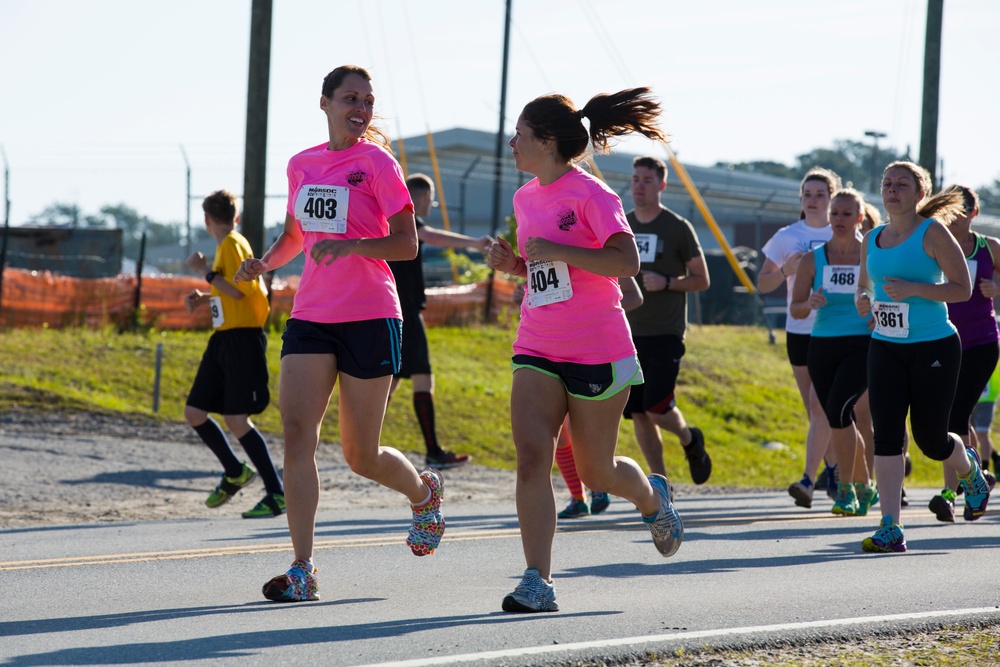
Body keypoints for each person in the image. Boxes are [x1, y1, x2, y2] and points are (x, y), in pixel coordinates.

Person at [235, 65, 444, 601]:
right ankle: (303, 569)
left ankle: (423, 493)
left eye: (368, 100)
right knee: (298, 436)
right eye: (351, 97)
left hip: (372, 315)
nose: (361, 107)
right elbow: (294, 235)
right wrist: (264, 262)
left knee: (360, 454)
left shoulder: (377, 163)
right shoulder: (301, 165)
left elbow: (406, 244)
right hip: (311, 315)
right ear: (324, 102)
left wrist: (353, 246)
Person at [488, 87, 682, 614]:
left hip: (597, 345)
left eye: (520, 135)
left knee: (596, 474)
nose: (511, 143)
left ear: (547, 141)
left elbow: (626, 262)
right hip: (537, 342)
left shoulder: (593, 196)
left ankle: (651, 497)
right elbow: (547, 269)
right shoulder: (525, 197)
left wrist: (557, 250)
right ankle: (538, 580)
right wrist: (516, 266)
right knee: (533, 460)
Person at [855, 160, 991, 553]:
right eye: (886, 183)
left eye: (901, 184)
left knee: (931, 440)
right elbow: (865, 287)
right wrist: (864, 301)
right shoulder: (873, 238)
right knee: (887, 435)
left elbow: (962, 288)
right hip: (885, 345)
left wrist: (915, 289)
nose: (892, 190)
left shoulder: (933, 233)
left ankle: (970, 470)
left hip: (933, 346)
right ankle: (890, 527)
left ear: (920, 194)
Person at [182, 190, 285, 519]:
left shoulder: (232, 243)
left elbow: (242, 291)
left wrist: (205, 273)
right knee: (195, 412)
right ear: (235, 215)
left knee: (237, 419)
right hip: (223, 340)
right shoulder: (228, 246)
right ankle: (235, 471)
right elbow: (231, 289)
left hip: (242, 341)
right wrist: (205, 296)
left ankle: (276, 494)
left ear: (206, 219)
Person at [387, 173, 493, 469]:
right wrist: (474, 243)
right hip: (405, 312)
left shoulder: (390, 222)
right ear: (421, 197)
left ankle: (358, 438)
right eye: (430, 197)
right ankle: (433, 451)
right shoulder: (406, 223)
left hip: (393, 311)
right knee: (422, 378)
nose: (431, 203)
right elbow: (431, 236)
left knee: (390, 380)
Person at [621, 156, 712, 485]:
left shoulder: (676, 228)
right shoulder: (623, 225)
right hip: (626, 332)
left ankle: (689, 438)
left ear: (661, 185)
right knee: (638, 413)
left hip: (665, 331)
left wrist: (668, 282)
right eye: (634, 179)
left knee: (657, 408)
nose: (639, 186)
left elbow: (702, 279)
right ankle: (660, 485)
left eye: (646, 180)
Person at [789, 188, 877, 517]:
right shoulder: (814, 258)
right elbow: (796, 308)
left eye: (846, 214)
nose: (839, 219)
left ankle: (844, 489)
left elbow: (888, 296)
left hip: (861, 342)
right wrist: (808, 303)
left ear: (860, 218)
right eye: (835, 213)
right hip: (822, 344)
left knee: (841, 407)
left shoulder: (871, 256)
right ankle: (864, 484)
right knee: (837, 416)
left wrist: (875, 310)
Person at [758, 167, 841, 508]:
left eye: (820, 194)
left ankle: (830, 474)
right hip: (801, 329)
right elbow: (763, 284)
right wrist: (786, 270)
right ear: (801, 199)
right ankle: (833, 471)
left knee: (826, 406)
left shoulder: (846, 234)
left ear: (832, 198)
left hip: (839, 329)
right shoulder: (787, 236)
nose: (813, 200)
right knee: (815, 409)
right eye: (808, 194)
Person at [927, 185, 1000, 522]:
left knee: (956, 415)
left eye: (961, 212)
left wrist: (997, 288)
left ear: (973, 213)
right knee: (952, 416)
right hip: (943, 339)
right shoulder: (933, 246)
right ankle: (976, 481)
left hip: (982, 342)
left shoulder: (990, 247)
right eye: (949, 211)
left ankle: (950, 492)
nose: (954, 219)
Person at [549, 275, 643, 519]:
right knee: (558, 433)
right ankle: (578, 498)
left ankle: (601, 486)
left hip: (593, 351)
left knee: (580, 430)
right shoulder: (542, 248)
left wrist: (597, 307)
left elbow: (634, 295)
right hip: (549, 346)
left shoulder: (602, 246)